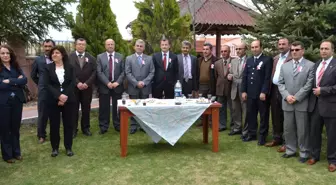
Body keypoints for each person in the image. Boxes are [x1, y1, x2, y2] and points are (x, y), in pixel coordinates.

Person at [278, 41, 314, 163]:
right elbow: (280, 83)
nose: (294, 52)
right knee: (288, 128)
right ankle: (290, 150)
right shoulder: (285, 66)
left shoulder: (310, 65)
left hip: (301, 103)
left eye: (297, 50)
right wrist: (287, 96)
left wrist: (297, 97)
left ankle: (304, 152)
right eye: (292, 50)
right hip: (287, 102)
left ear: (302, 51)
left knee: (302, 129)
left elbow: (309, 85)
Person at [308, 40, 336, 172]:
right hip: (315, 105)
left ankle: (333, 160)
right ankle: (314, 155)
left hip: (330, 106)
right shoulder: (317, 64)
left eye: (326, 48)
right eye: (321, 48)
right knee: (314, 132)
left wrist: (323, 91)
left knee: (332, 134)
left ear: (332, 50)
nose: (323, 51)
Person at [44, 45, 76, 157]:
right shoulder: (47, 68)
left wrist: (65, 95)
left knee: (68, 125)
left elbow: (72, 82)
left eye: (57, 52)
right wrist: (58, 96)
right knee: (54, 125)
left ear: (62, 54)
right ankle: (55, 148)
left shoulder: (70, 67)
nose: (54, 55)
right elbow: (47, 84)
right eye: (53, 53)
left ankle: (68, 147)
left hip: (69, 100)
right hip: (53, 100)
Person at [241, 40, 273, 145]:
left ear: (261, 47)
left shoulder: (267, 60)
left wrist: (264, 91)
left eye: (256, 47)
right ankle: (252, 134)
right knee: (251, 115)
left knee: (263, 116)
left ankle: (262, 137)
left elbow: (267, 78)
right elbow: (245, 77)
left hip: (261, 94)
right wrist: (243, 91)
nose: (254, 49)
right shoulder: (249, 60)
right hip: (250, 93)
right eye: (253, 47)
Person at [0, 45, 27, 163]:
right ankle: (7, 155)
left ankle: (17, 152)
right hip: (3, 102)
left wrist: (10, 81)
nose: (5, 55)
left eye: (7, 53)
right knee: (5, 128)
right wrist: (17, 81)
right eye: (2, 53)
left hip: (17, 100)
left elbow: (24, 80)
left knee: (15, 128)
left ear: (11, 55)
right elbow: (0, 85)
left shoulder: (16, 67)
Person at [265, 38, 292, 152]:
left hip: (286, 89)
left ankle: (287, 142)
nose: (281, 46)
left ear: (289, 45)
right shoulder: (276, 58)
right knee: (275, 114)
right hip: (274, 89)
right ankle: (277, 138)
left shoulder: (292, 58)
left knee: (286, 116)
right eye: (279, 44)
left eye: (283, 44)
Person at [125, 39, 155, 134]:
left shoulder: (149, 59)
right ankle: (133, 126)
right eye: (137, 46)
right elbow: (128, 72)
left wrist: (144, 82)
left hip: (145, 87)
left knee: (144, 107)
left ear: (144, 48)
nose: (139, 47)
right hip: (133, 87)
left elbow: (152, 72)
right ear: (134, 47)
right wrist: (136, 82)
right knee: (133, 107)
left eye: (141, 46)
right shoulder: (129, 59)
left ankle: (143, 125)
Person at [69, 38, 96, 138]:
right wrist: (77, 83)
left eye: (83, 44)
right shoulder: (69, 57)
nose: (81, 46)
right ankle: (73, 130)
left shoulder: (91, 58)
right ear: (75, 45)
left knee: (86, 109)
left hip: (87, 89)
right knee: (73, 109)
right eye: (79, 44)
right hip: (74, 88)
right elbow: (68, 72)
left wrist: (87, 83)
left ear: (85, 46)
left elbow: (94, 72)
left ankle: (86, 128)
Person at [97, 39, 125, 134]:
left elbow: (123, 71)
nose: (110, 46)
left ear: (114, 45)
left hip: (117, 86)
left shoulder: (120, 56)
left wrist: (117, 82)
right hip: (105, 86)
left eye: (112, 44)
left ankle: (117, 125)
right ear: (105, 46)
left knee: (117, 107)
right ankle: (103, 126)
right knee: (104, 107)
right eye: (108, 44)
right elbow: (99, 72)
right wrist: (107, 83)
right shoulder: (100, 57)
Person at [31, 39, 55, 143]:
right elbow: (33, 75)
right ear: (43, 47)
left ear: (53, 47)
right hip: (44, 91)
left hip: (56, 91)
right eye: (45, 46)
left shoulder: (58, 58)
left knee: (55, 114)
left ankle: (54, 134)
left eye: (50, 46)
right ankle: (41, 135)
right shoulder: (38, 60)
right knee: (42, 114)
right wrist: (41, 83)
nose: (47, 48)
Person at [228, 42, 247, 136]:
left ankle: (246, 130)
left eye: (240, 49)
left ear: (245, 49)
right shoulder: (233, 61)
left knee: (245, 110)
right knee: (235, 109)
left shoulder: (250, 60)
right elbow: (230, 72)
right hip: (234, 88)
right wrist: (229, 75)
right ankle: (237, 128)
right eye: (237, 49)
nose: (238, 51)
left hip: (245, 89)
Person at [214, 45, 233, 132]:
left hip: (231, 88)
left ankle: (234, 125)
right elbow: (215, 76)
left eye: (225, 51)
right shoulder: (217, 63)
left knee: (233, 108)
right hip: (220, 89)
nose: (223, 53)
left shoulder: (234, 61)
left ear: (229, 52)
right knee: (221, 108)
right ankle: (222, 124)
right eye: (222, 51)